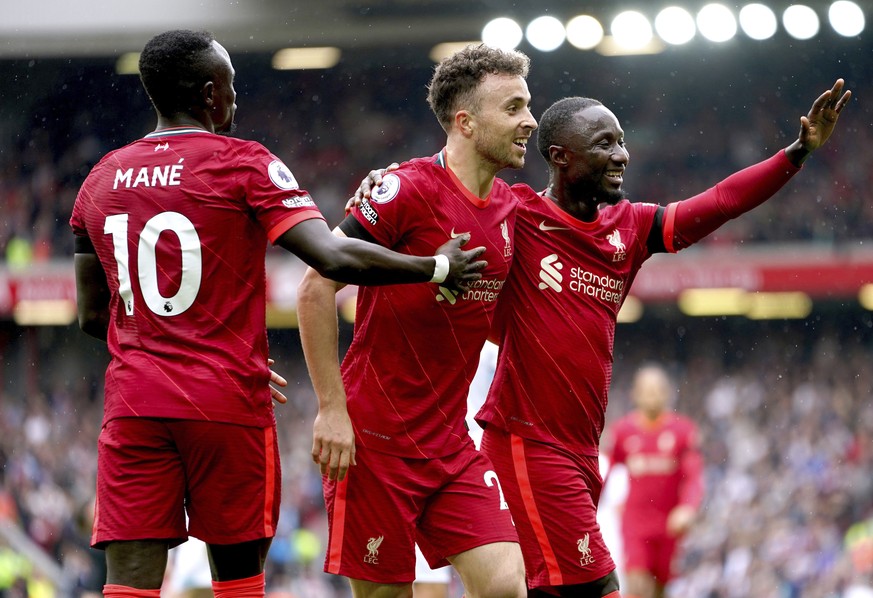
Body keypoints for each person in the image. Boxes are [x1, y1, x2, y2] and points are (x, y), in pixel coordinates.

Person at [359, 79, 851, 596]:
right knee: (599, 587)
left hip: (579, 450)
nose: (621, 155)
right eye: (604, 145)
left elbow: (720, 202)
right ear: (560, 157)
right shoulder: (518, 214)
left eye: (621, 141)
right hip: (528, 442)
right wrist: (384, 184)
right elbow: (446, 184)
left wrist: (797, 152)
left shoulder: (630, 228)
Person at [69, 29, 485, 598]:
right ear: (211, 93)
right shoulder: (243, 162)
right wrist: (433, 267)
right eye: (232, 87)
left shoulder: (101, 178)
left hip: (134, 405)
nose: (235, 100)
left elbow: (93, 315)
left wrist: (161, 348)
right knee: (238, 583)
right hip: (226, 404)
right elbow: (332, 255)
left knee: (129, 585)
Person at [296, 43, 537, 598]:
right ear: (466, 122)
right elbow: (315, 288)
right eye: (514, 107)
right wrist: (332, 410)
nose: (529, 121)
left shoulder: (514, 209)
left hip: (452, 444)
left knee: (506, 584)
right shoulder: (404, 189)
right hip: (372, 444)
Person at [605, 364, 703, 598]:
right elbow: (605, 474)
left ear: (668, 393)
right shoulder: (622, 432)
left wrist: (688, 508)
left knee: (660, 591)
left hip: (669, 525)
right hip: (635, 525)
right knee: (638, 587)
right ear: (635, 394)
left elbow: (694, 476)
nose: (652, 395)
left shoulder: (682, 432)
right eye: (647, 390)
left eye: (658, 389)